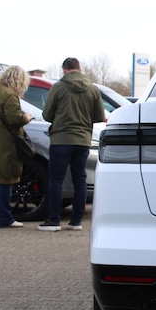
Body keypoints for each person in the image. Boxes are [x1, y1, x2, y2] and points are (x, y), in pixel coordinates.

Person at [38, 57, 105, 232]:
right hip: (83, 140)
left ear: (64, 70)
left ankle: (53, 220)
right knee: (80, 180)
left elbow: (46, 115)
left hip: (61, 139)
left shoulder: (58, 87)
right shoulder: (92, 89)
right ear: (79, 69)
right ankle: (76, 221)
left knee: (56, 180)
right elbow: (99, 116)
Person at [0, 66, 33, 228]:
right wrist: (26, 117)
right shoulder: (9, 95)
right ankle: (4, 218)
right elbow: (14, 119)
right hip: (6, 144)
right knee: (6, 179)